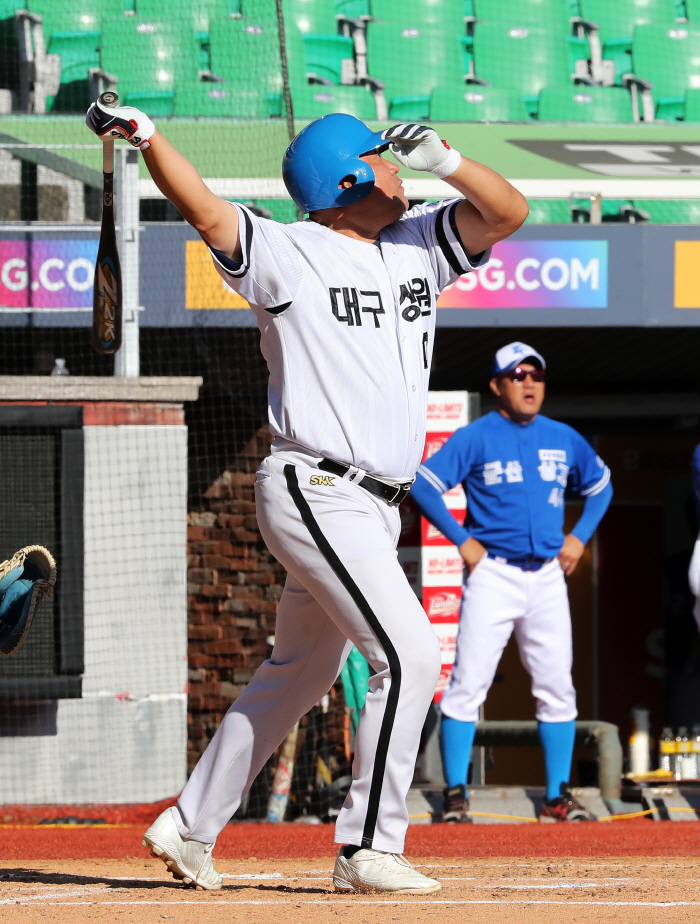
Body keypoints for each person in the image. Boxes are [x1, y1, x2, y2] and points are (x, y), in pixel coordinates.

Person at [86, 102, 527, 891]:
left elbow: (508, 211)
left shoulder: (420, 241)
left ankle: (189, 825)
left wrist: (447, 159)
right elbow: (208, 209)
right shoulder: (293, 253)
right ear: (350, 177)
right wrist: (151, 136)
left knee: (298, 674)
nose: (395, 165)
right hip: (316, 483)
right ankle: (367, 846)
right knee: (411, 655)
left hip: (369, 501)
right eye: (382, 158)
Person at [410, 342, 613, 823]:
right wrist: (461, 539)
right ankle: (456, 795)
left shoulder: (563, 436)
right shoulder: (476, 436)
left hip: (546, 575)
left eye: (536, 375)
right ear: (497, 385)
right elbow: (422, 483)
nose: (528, 383)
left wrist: (580, 536)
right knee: (468, 686)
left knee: (557, 688)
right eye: (517, 375)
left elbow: (601, 486)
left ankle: (556, 797)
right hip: (495, 572)